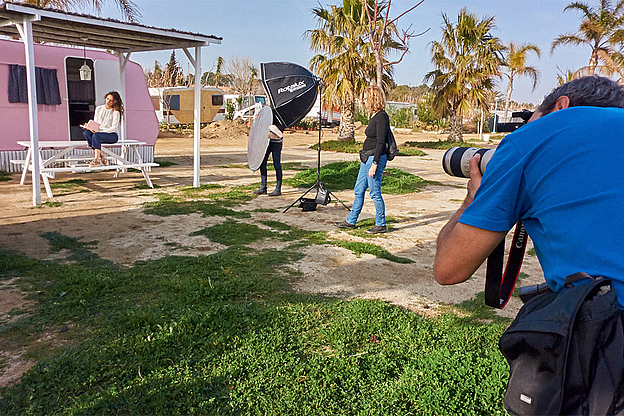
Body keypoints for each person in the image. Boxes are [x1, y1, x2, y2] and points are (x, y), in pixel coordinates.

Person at [434, 75, 624, 307]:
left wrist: (473, 197)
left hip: (609, 323)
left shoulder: (537, 136)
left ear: (561, 106)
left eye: (530, 121)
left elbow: (448, 270)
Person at [335, 85, 389, 234]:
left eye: (365, 98)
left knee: (374, 191)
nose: (363, 101)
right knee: (359, 189)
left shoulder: (382, 117)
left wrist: (375, 163)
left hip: (375, 158)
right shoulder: (374, 116)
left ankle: (381, 223)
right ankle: (351, 221)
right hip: (367, 158)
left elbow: (380, 142)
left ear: (373, 98)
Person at [81, 91, 123, 167]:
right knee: (86, 133)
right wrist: (90, 127)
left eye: (111, 100)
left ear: (115, 102)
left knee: (96, 136)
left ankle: (96, 160)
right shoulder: (99, 108)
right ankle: (101, 155)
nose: (108, 102)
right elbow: (96, 123)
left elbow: (114, 127)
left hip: (111, 135)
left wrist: (100, 131)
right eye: (107, 99)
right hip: (98, 133)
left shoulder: (115, 112)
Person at [253, 119, 285, 197]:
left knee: (277, 164)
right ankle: (263, 187)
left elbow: (281, 130)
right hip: (266, 142)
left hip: (276, 143)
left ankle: (278, 189)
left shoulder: (281, 117)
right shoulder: (269, 112)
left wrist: (273, 128)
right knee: (262, 163)